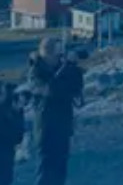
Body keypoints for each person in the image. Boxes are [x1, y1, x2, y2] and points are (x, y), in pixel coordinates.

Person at [26, 38, 85, 185]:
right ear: (47, 54)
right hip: (47, 128)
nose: (60, 57)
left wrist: (73, 67)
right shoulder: (36, 72)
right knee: (46, 171)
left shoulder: (59, 67)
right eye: (58, 55)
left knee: (60, 169)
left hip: (63, 125)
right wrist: (67, 65)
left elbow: (75, 86)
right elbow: (53, 90)